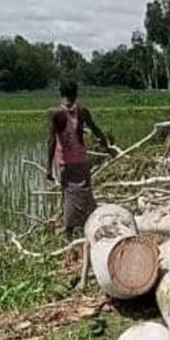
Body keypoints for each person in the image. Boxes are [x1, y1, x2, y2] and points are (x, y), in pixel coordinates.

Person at [46, 81, 115, 238]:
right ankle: (89, 225)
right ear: (76, 93)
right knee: (85, 192)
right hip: (81, 159)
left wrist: (48, 168)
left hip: (65, 161)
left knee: (69, 195)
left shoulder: (55, 113)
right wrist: (107, 148)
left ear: (61, 93)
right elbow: (97, 131)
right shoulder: (82, 111)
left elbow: (51, 141)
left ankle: (70, 232)